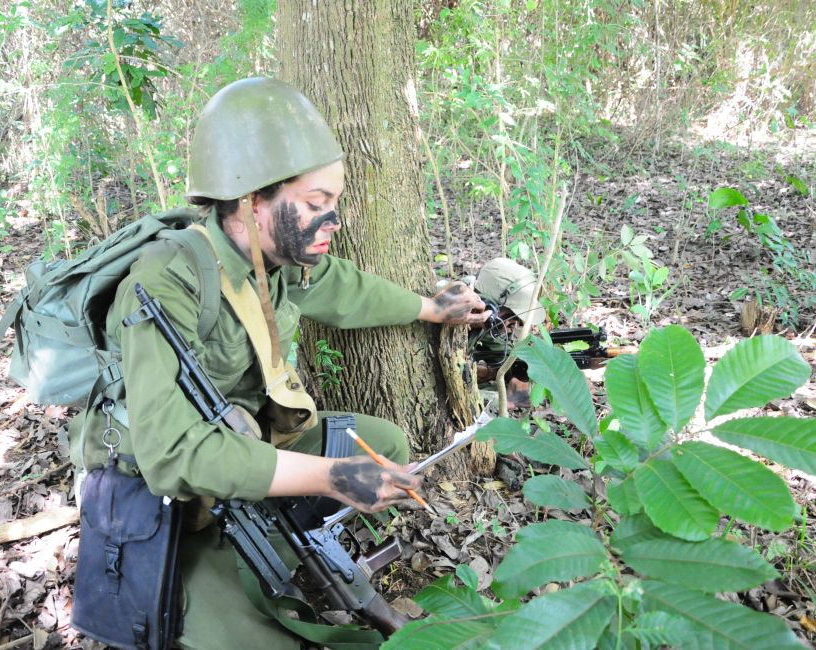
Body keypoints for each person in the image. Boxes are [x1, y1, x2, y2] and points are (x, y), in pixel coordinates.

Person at [67, 77, 489, 649]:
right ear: (252, 200)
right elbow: (171, 457)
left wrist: (430, 309)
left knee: (381, 443)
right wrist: (333, 479)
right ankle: (226, 567)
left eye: (333, 203)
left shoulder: (278, 257)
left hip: (246, 443)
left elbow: (343, 289)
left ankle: (276, 543)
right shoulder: (165, 283)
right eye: (317, 204)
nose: (333, 221)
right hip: (164, 498)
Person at [468, 257, 545, 409]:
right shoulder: (445, 320)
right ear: (488, 303)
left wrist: (523, 371)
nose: (515, 325)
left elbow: (507, 359)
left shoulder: (487, 324)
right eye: (511, 316)